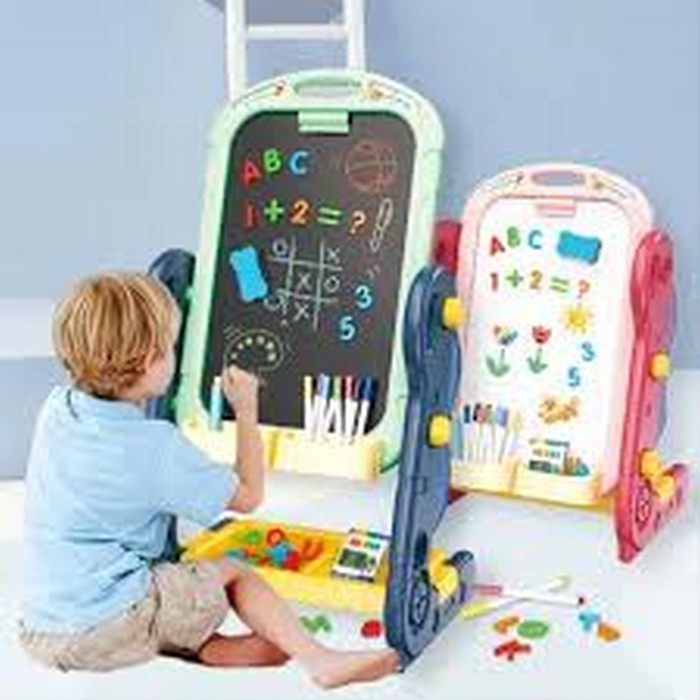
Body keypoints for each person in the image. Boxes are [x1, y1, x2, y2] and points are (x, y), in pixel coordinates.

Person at [19, 272, 398, 689]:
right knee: (232, 573)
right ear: (147, 361)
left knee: (166, 585)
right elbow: (248, 495)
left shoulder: (57, 409)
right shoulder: (156, 447)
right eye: (170, 347)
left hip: (41, 628)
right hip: (109, 623)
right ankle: (319, 660)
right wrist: (246, 409)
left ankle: (215, 649)